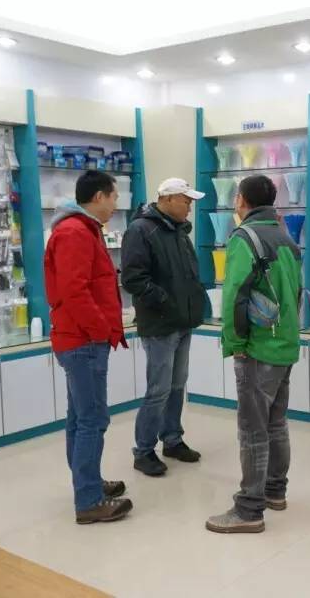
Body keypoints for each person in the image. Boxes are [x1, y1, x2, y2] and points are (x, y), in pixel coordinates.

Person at [206, 175, 303, 534]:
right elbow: (298, 291)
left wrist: (235, 344)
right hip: (285, 344)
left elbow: (234, 294)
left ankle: (249, 509)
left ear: (241, 200)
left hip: (258, 348)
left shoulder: (244, 238)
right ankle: (276, 491)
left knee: (252, 429)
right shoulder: (286, 238)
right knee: (276, 423)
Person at [45, 170, 132, 524]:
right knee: (92, 419)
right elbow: (74, 291)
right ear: (98, 197)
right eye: (114, 197)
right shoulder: (75, 232)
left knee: (81, 418)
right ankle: (89, 500)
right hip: (83, 341)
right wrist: (100, 329)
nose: (115, 204)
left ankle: (89, 482)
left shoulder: (83, 229)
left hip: (81, 338)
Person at [122, 178, 207, 477]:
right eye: (186, 200)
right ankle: (143, 450)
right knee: (158, 389)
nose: (190, 207)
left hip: (183, 321)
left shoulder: (179, 231)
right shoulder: (141, 230)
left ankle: (172, 439)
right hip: (159, 323)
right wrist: (164, 300)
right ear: (167, 199)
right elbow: (133, 278)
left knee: (177, 384)